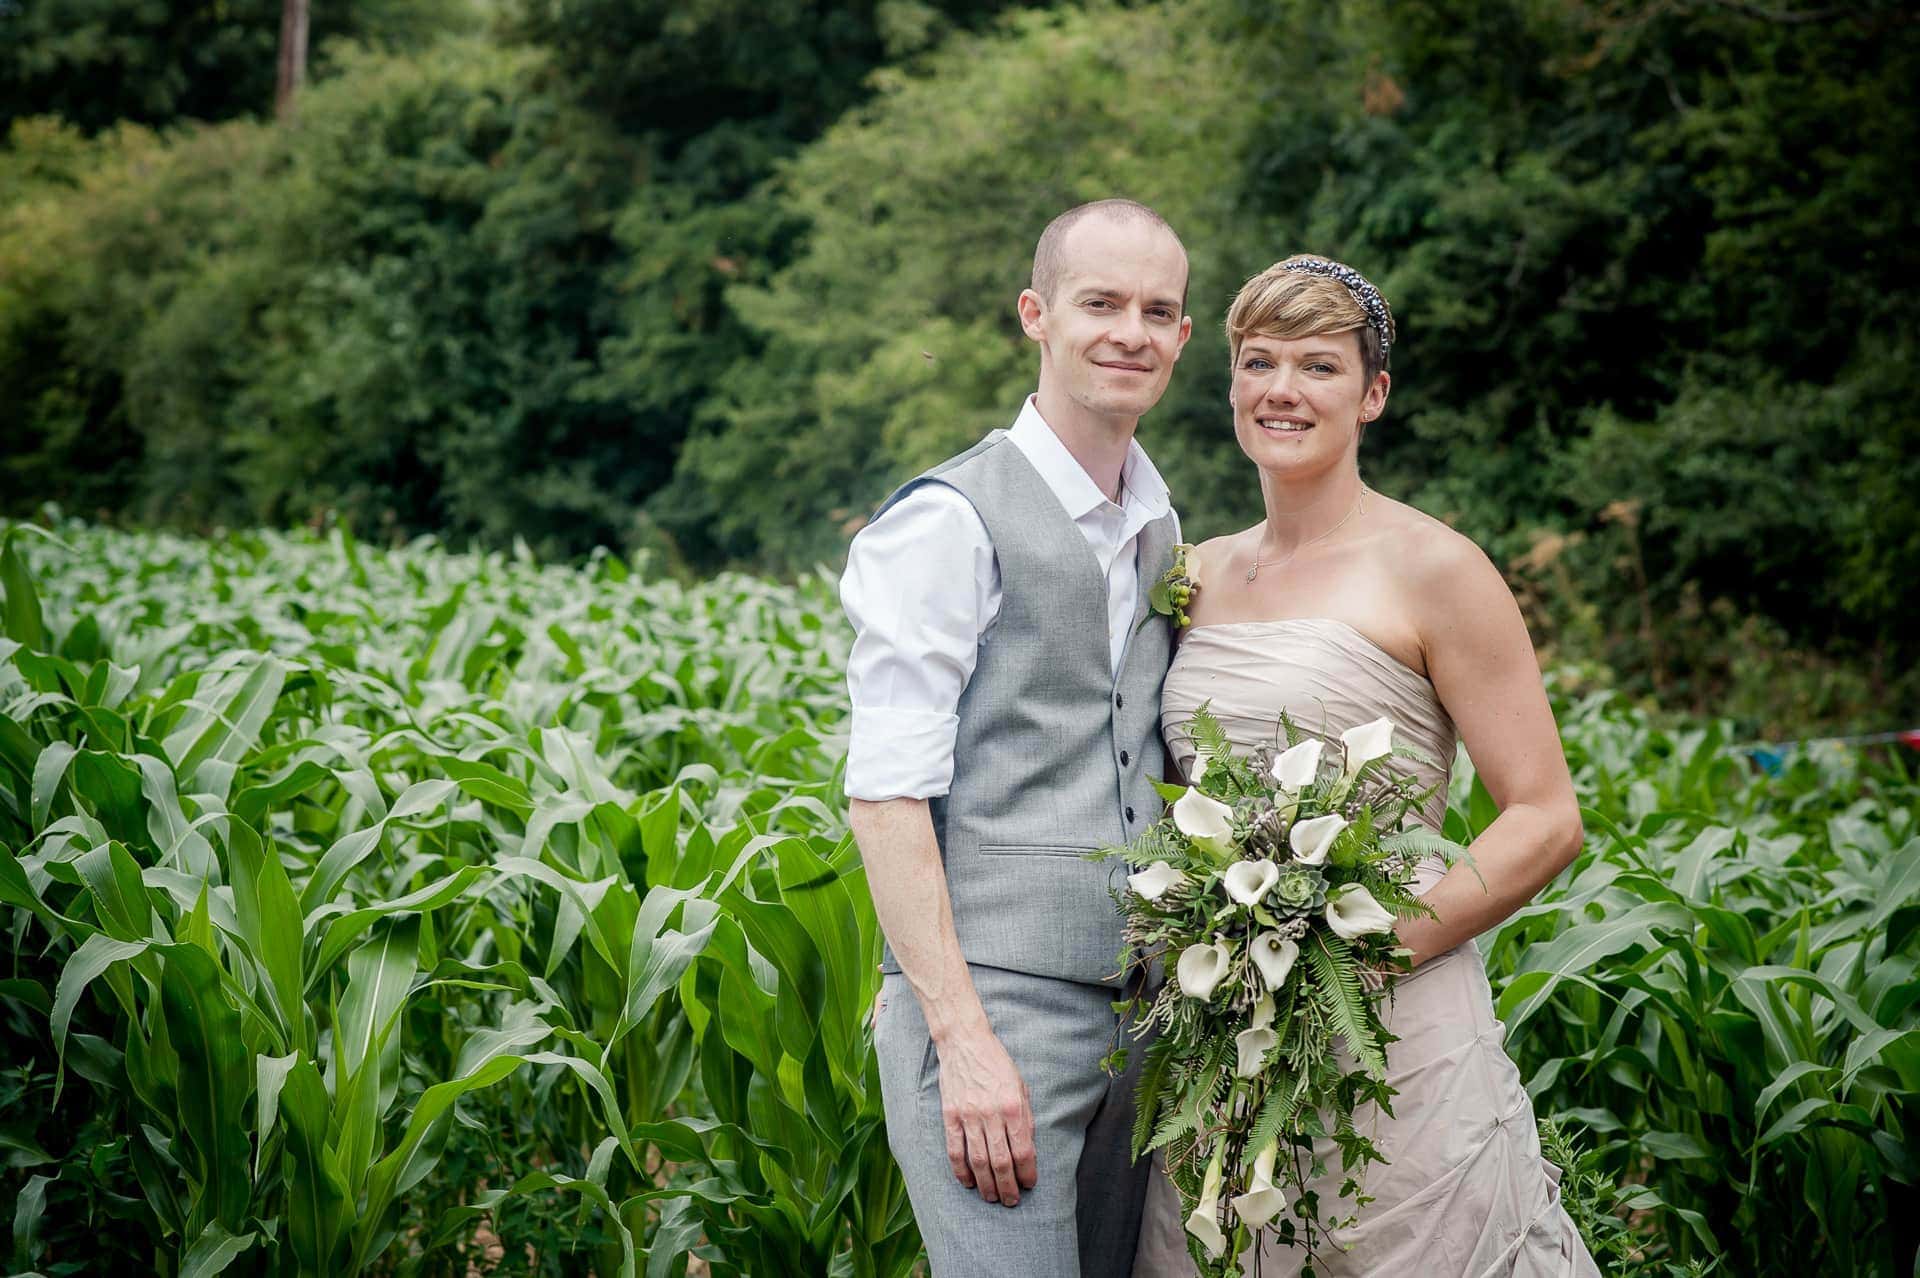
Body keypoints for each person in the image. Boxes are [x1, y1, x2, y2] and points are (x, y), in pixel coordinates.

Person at [1131, 256, 1601, 1276]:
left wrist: (1369, 952)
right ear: (1230, 385)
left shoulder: (1436, 567)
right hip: (1228, 1033)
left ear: (1373, 393)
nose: (1282, 389)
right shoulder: (1192, 572)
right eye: (1259, 362)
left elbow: (1544, 816)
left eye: (1319, 366)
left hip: (1396, 1015)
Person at [841, 198, 1193, 1276]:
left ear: (1183, 338)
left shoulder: (1161, 524)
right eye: (1101, 303)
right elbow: (886, 795)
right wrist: (961, 1038)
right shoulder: (947, 520)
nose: (1130, 330)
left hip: (1138, 1025)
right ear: (1038, 315)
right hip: (995, 1018)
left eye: (1158, 309)